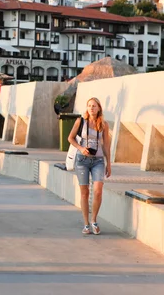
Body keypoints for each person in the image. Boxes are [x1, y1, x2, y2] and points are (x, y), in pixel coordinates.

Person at [68, 97, 111, 235]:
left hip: (98, 160)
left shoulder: (103, 124)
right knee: (85, 192)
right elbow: (70, 138)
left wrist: (108, 163)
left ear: (99, 108)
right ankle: (86, 224)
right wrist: (81, 148)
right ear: (87, 108)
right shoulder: (80, 121)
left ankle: (94, 220)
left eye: (94, 106)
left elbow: (106, 145)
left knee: (98, 190)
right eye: (89, 106)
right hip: (82, 160)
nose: (91, 108)